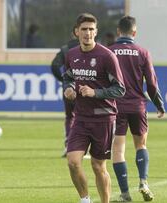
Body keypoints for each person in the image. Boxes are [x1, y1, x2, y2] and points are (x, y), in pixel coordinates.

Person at [63, 13, 125, 203]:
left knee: (98, 166)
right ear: (76, 32)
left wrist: (95, 93)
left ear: (96, 32)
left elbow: (120, 89)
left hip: (103, 119)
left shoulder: (107, 56)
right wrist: (69, 88)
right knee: (73, 162)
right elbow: (68, 77)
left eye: (91, 29)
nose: (87, 33)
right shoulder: (71, 55)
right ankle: (85, 200)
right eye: (84, 29)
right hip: (81, 118)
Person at [108, 16, 165, 202]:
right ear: (134, 32)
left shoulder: (109, 52)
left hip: (116, 107)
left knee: (118, 150)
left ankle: (125, 194)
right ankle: (143, 182)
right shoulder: (143, 52)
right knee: (141, 145)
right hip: (138, 106)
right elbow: (152, 84)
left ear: (118, 32)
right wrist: (159, 105)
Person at [51, 27, 79, 157]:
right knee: (87, 117)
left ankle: (69, 146)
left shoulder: (65, 49)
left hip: (68, 88)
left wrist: (63, 80)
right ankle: (80, 147)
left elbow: (55, 65)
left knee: (70, 117)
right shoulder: (91, 48)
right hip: (86, 89)